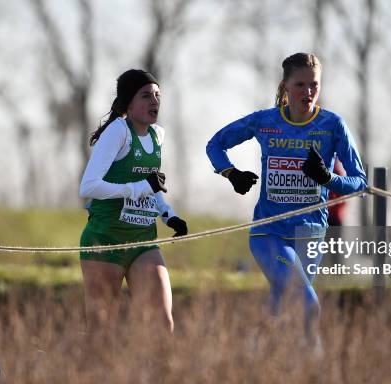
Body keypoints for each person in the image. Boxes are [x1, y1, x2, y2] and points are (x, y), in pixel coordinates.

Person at [206, 53, 366, 347]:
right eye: (300, 84)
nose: (308, 92)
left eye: (314, 85)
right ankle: (313, 372)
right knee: (308, 306)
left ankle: (249, 359)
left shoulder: (332, 125)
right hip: (270, 233)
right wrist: (231, 173)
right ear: (285, 86)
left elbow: (360, 183)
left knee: (282, 311)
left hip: (311, 236)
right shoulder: (265, 121)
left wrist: (328, 179)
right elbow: (215, 144)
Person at [79, 69, 187, 334]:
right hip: (105, 241)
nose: (154, 101)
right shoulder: (118, 131)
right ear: (129, 102)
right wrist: (139, 187)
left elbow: (152, 187)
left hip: (143, 241)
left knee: (163, 324)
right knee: (101, 332)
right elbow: (89, 186)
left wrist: (168, 214)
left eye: (158, 95)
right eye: (146, 95)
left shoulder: (157, 135)